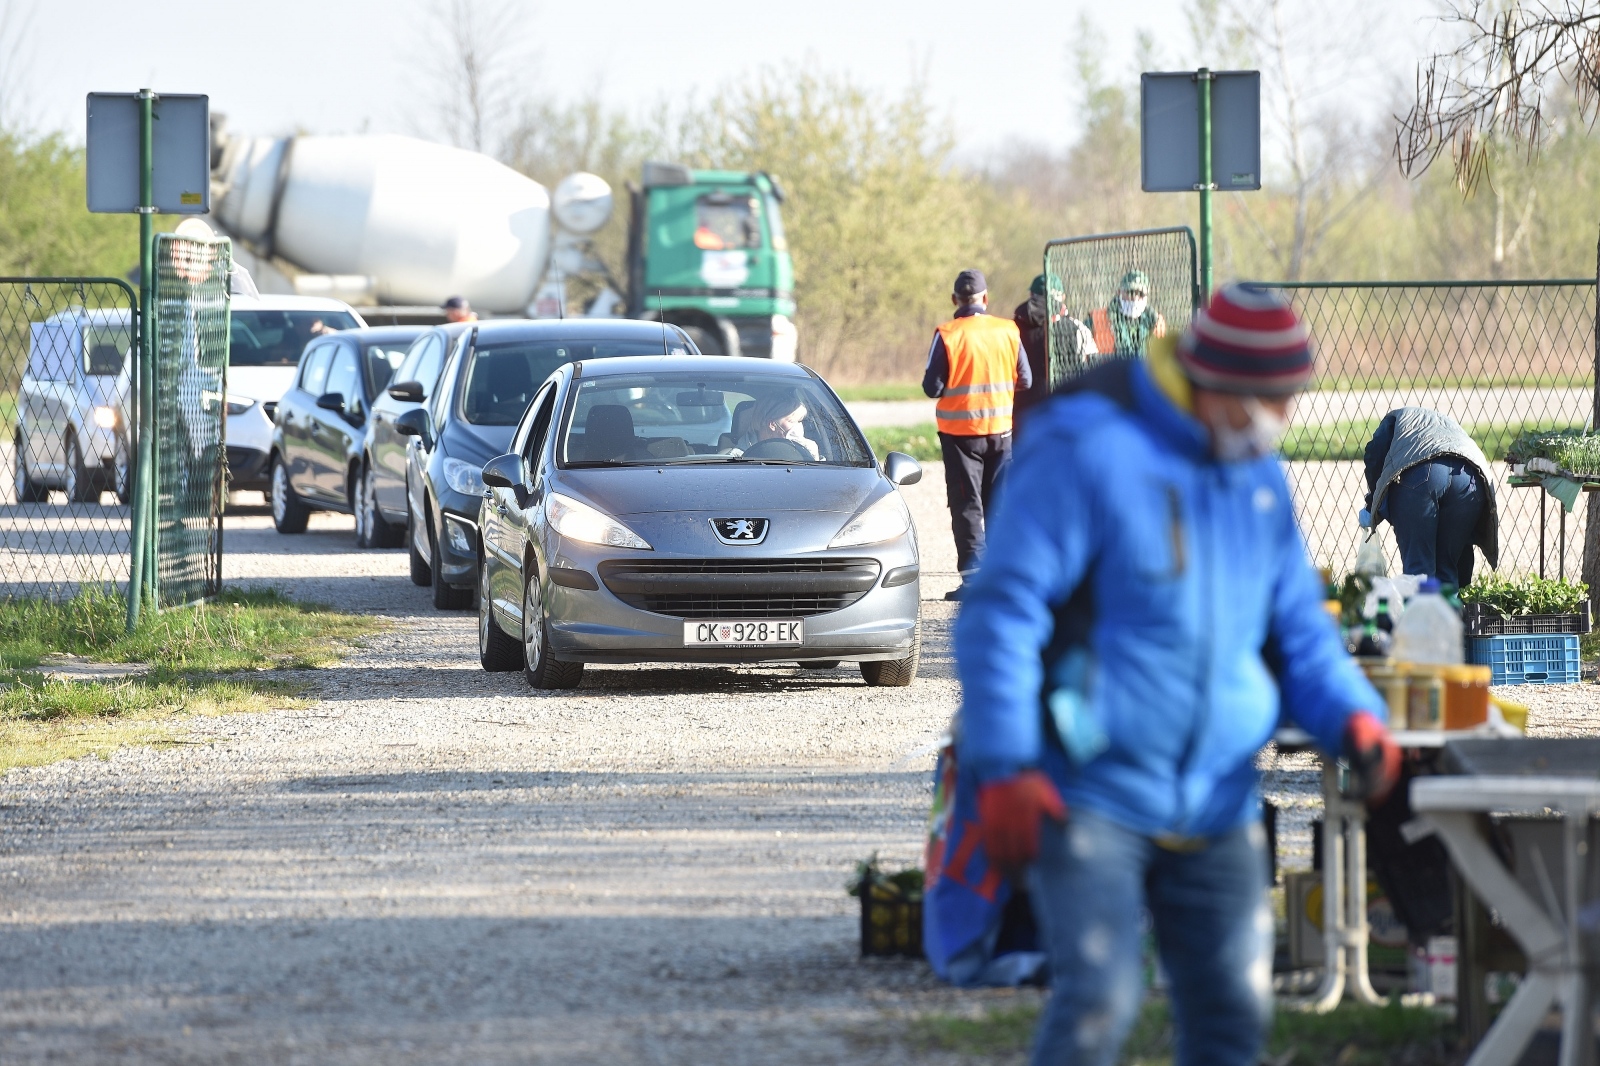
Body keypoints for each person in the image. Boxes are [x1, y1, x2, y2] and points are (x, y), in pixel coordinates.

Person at [954, 284, 1400, 1066]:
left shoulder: (1257, 476)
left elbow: (1300, 631)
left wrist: (1355, 716)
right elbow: (1001, 614)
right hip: (1090, 793)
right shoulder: (1090, 452)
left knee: (1232, 1013)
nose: (1282, 420)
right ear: (1220, 386)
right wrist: (1005, 764)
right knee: (1100, 1000)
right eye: (1275, 400)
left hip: (1218, 797)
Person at [923, 269, 1032, 600]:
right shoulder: (1008, 331)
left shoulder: (948, 334)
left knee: (967, 504)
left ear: (955, 300)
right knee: (999, 503)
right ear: (985, 299)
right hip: (1001, 433)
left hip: (961, 436)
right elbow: (1024, 379)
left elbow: (932, 387)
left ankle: (973, 581)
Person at [1362, 407, 1498, 587]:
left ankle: (1421, 613)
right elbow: (1464, 552)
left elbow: (1374, 454)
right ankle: (1452, 612)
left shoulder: (1394, 420)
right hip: (1470, 477)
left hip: (1420, 477)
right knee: (1448, 570)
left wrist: (1371, 504)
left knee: (1419, 572)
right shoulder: (1448, 424)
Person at [1013, 274, 1096, 429]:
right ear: (1062, 297)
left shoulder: (1012, 328)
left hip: (1022, 412)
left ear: (1031, 295)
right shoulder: (1078, 328)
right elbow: (1092, 366)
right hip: (1063, 410)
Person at [1090, 269, 1166, 357]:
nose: (1135, 298)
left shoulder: (1156, 322)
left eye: (1141, 294)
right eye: (1131, 293)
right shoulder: (1097, 319)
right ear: (1119, 293)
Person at [740, 391, 819, 460]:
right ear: (772, 424)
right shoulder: (738, 457)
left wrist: (811, 457)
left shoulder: (807, 449)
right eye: (792, 421)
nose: (799, 426)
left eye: (799, 421)